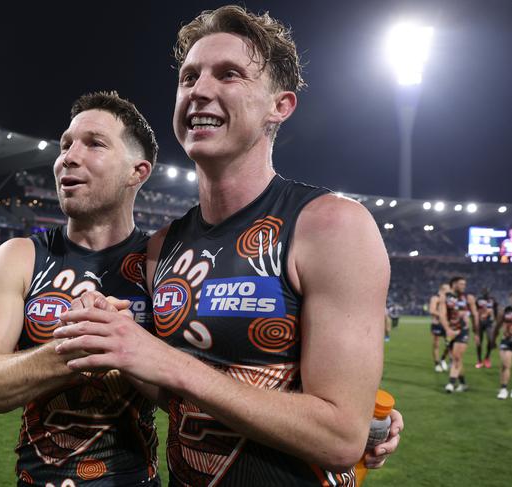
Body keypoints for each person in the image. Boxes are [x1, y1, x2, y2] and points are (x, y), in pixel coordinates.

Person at [54, 6, 403, 485]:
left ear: (279, 106)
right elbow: (172, 391)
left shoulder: (331, 226)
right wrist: (120, 344)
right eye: (189, 76)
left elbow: (340, 437)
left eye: (229, 74)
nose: (199, 90)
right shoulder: (160, 248)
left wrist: (171, 364)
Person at [0, 92, 161, 486]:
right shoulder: (19, 256)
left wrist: (128, 347)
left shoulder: (161, 262)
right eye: (65, 144)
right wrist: (74, 349)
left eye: (94, 143)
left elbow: (194, 393)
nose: (69, 155)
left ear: (138, 172)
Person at [440, 276, 479, 393]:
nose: (464, 286)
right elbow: (442, 314)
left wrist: (476, 333)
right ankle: (462, 383)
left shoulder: (468, 298)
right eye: (461, 284)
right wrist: (447, 329)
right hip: (450, 331)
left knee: (456, 356)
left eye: (464, 284)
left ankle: (451, 384)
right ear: (454, 284)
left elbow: (475, 315)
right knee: (455, 358)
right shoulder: (445, 297)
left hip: (463, 331)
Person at [495, 292, 512, 399]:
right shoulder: (505, 311)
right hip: (506, 341)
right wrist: (492, 340)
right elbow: (497, 326)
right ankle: (503, 389)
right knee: (505, 364)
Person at [430, 283, 450, 372]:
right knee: (436, 344)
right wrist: (442, 316)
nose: (449, 290)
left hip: (447, 325)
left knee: (449, 344)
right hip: (437, 324)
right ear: (442, 289)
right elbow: (432, 310)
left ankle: (442, 359)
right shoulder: (435, 298)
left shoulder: (449, 299)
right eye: (447, 289)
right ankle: (437, 364)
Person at [475, 287, 497, 369]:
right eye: (484, 291)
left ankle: (487, 358)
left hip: (489, 323)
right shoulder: (478, 300)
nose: (486, 293)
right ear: (482, 292)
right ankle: (479, 360)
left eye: (487, 291)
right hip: (480, 323)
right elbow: (475, 311)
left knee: (491, 340)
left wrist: (495, 320)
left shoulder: (493, 300)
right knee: (479, 342)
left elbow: (495, 310)